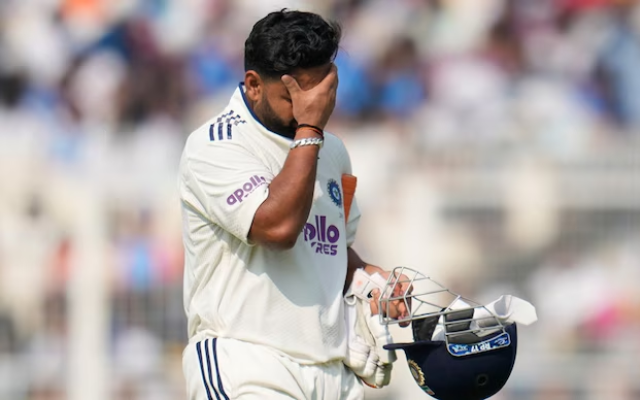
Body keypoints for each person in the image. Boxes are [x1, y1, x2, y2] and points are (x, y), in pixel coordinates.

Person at [178, 9, 408, 400]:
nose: (311, 106)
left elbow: (329, 250)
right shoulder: (214, 145)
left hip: (331, 376)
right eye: (294, 97)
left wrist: (372, 282)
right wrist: (310, 130)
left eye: (320, 92)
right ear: (254, 85)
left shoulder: (333, 152)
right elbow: (278, 229)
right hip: (248, 365)